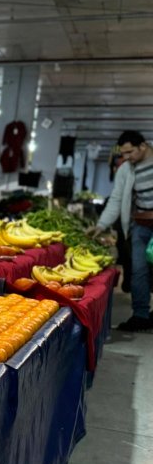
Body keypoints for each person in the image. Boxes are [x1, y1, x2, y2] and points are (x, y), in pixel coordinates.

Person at [95, 130, 153, 331]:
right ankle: (140, 316)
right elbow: (117, 199)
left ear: (143, 146)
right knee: (138, 271)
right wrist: (101, 225)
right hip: (141, 225)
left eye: (130, 153)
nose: (126, 158)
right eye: (123, 154)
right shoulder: (126, 170)